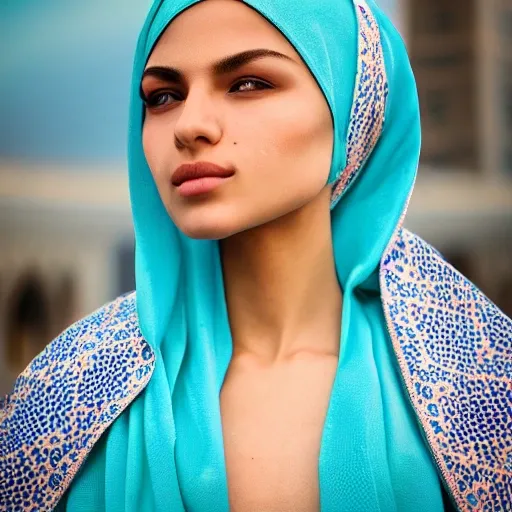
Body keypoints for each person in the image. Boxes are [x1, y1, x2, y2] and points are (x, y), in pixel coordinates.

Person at [1, 0, 511, 511]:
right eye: (163, 96)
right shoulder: (67, 392)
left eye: (248, 83)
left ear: (353, 107)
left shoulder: (482, 387)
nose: (188, 125)